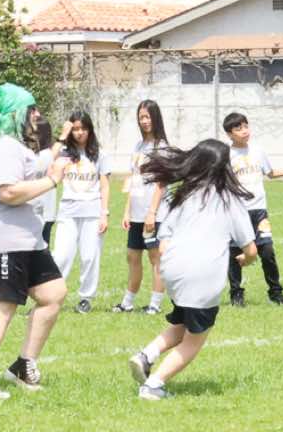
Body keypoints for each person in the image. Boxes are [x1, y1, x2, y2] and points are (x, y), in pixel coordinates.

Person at [127, 139, 259, 400]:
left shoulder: (184, 195)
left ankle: (146, 356)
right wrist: (246, 259)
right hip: (202, 274)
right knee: (195, 338)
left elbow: (164, 240)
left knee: (183, 321)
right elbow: (251, 249)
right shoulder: (229, 200)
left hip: (172, 269)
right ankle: (153, 385)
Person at [0, 84, 67, 398]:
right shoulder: (4, 146)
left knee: (52, 294)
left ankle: (23, 364)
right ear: (17, 113)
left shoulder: (14, 146)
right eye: (31, 109)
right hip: (3, 238)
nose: (37, 114)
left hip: (26, 238)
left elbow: (32, 165)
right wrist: (52, 181)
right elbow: (8, 192)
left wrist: (56, 154)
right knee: (1, 308)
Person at [223, 111, 283, 308]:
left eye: (246, 126)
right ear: (229, 134)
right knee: (235, 251)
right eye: (238, 128)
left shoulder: (258, 151)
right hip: (237, 212)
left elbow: (271, 173)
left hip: (259, 211)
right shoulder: (225, 155)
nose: (244, 131)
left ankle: (276, 293)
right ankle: (236, 294)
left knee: (267, 251)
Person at [50, 111, 109, 313]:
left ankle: (86, 298)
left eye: (83, 128)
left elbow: (105, 186)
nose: (79, 133)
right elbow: (48, 160)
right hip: (67, 211)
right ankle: (52, 295)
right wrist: (62, 135)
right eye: (75, 129)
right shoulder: (64, 152)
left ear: (90, 130)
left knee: (89, 257)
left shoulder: (100, 155)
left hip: (92, 212)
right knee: (61, 256)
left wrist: (104, 213)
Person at [116, 99, 170, 315]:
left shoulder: (162, 147)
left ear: (156, 118)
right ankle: (127, 303)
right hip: (136, 213)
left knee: (155, 258)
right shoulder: (138, 146)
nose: (145, 121)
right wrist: (127, 211)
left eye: (148, 117)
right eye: (141, 117)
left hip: (153, 214)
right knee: (132, 256)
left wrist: (152, 213)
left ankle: (155, 304)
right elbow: (134, 179)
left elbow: (161, 183)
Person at [29, 107, 59, 248]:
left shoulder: (44, 155)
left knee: (39, 250)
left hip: (41, 211)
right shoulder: (47, 153)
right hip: (45, 211)